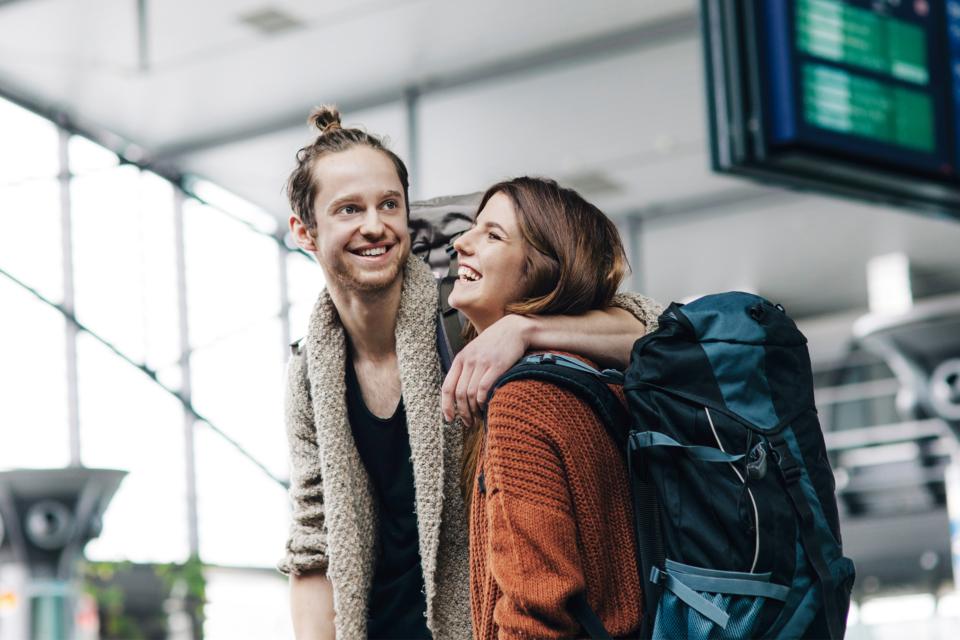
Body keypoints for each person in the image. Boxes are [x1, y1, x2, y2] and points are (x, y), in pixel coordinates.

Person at [278, 106, 661, 639]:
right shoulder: (310, 373)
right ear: (305, 231)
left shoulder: (466, 312)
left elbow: (655, 332)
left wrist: (524, 329)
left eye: (389, 204)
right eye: (348, 209)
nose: (374, 225)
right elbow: (313, 545)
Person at [452, 177, 651, 639]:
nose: (461, 243)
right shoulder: (603, 385)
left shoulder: (525, 402)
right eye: (472, 229)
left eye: (492, 235)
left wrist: (522, 329)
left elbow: (535, 611)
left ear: (541, 271)